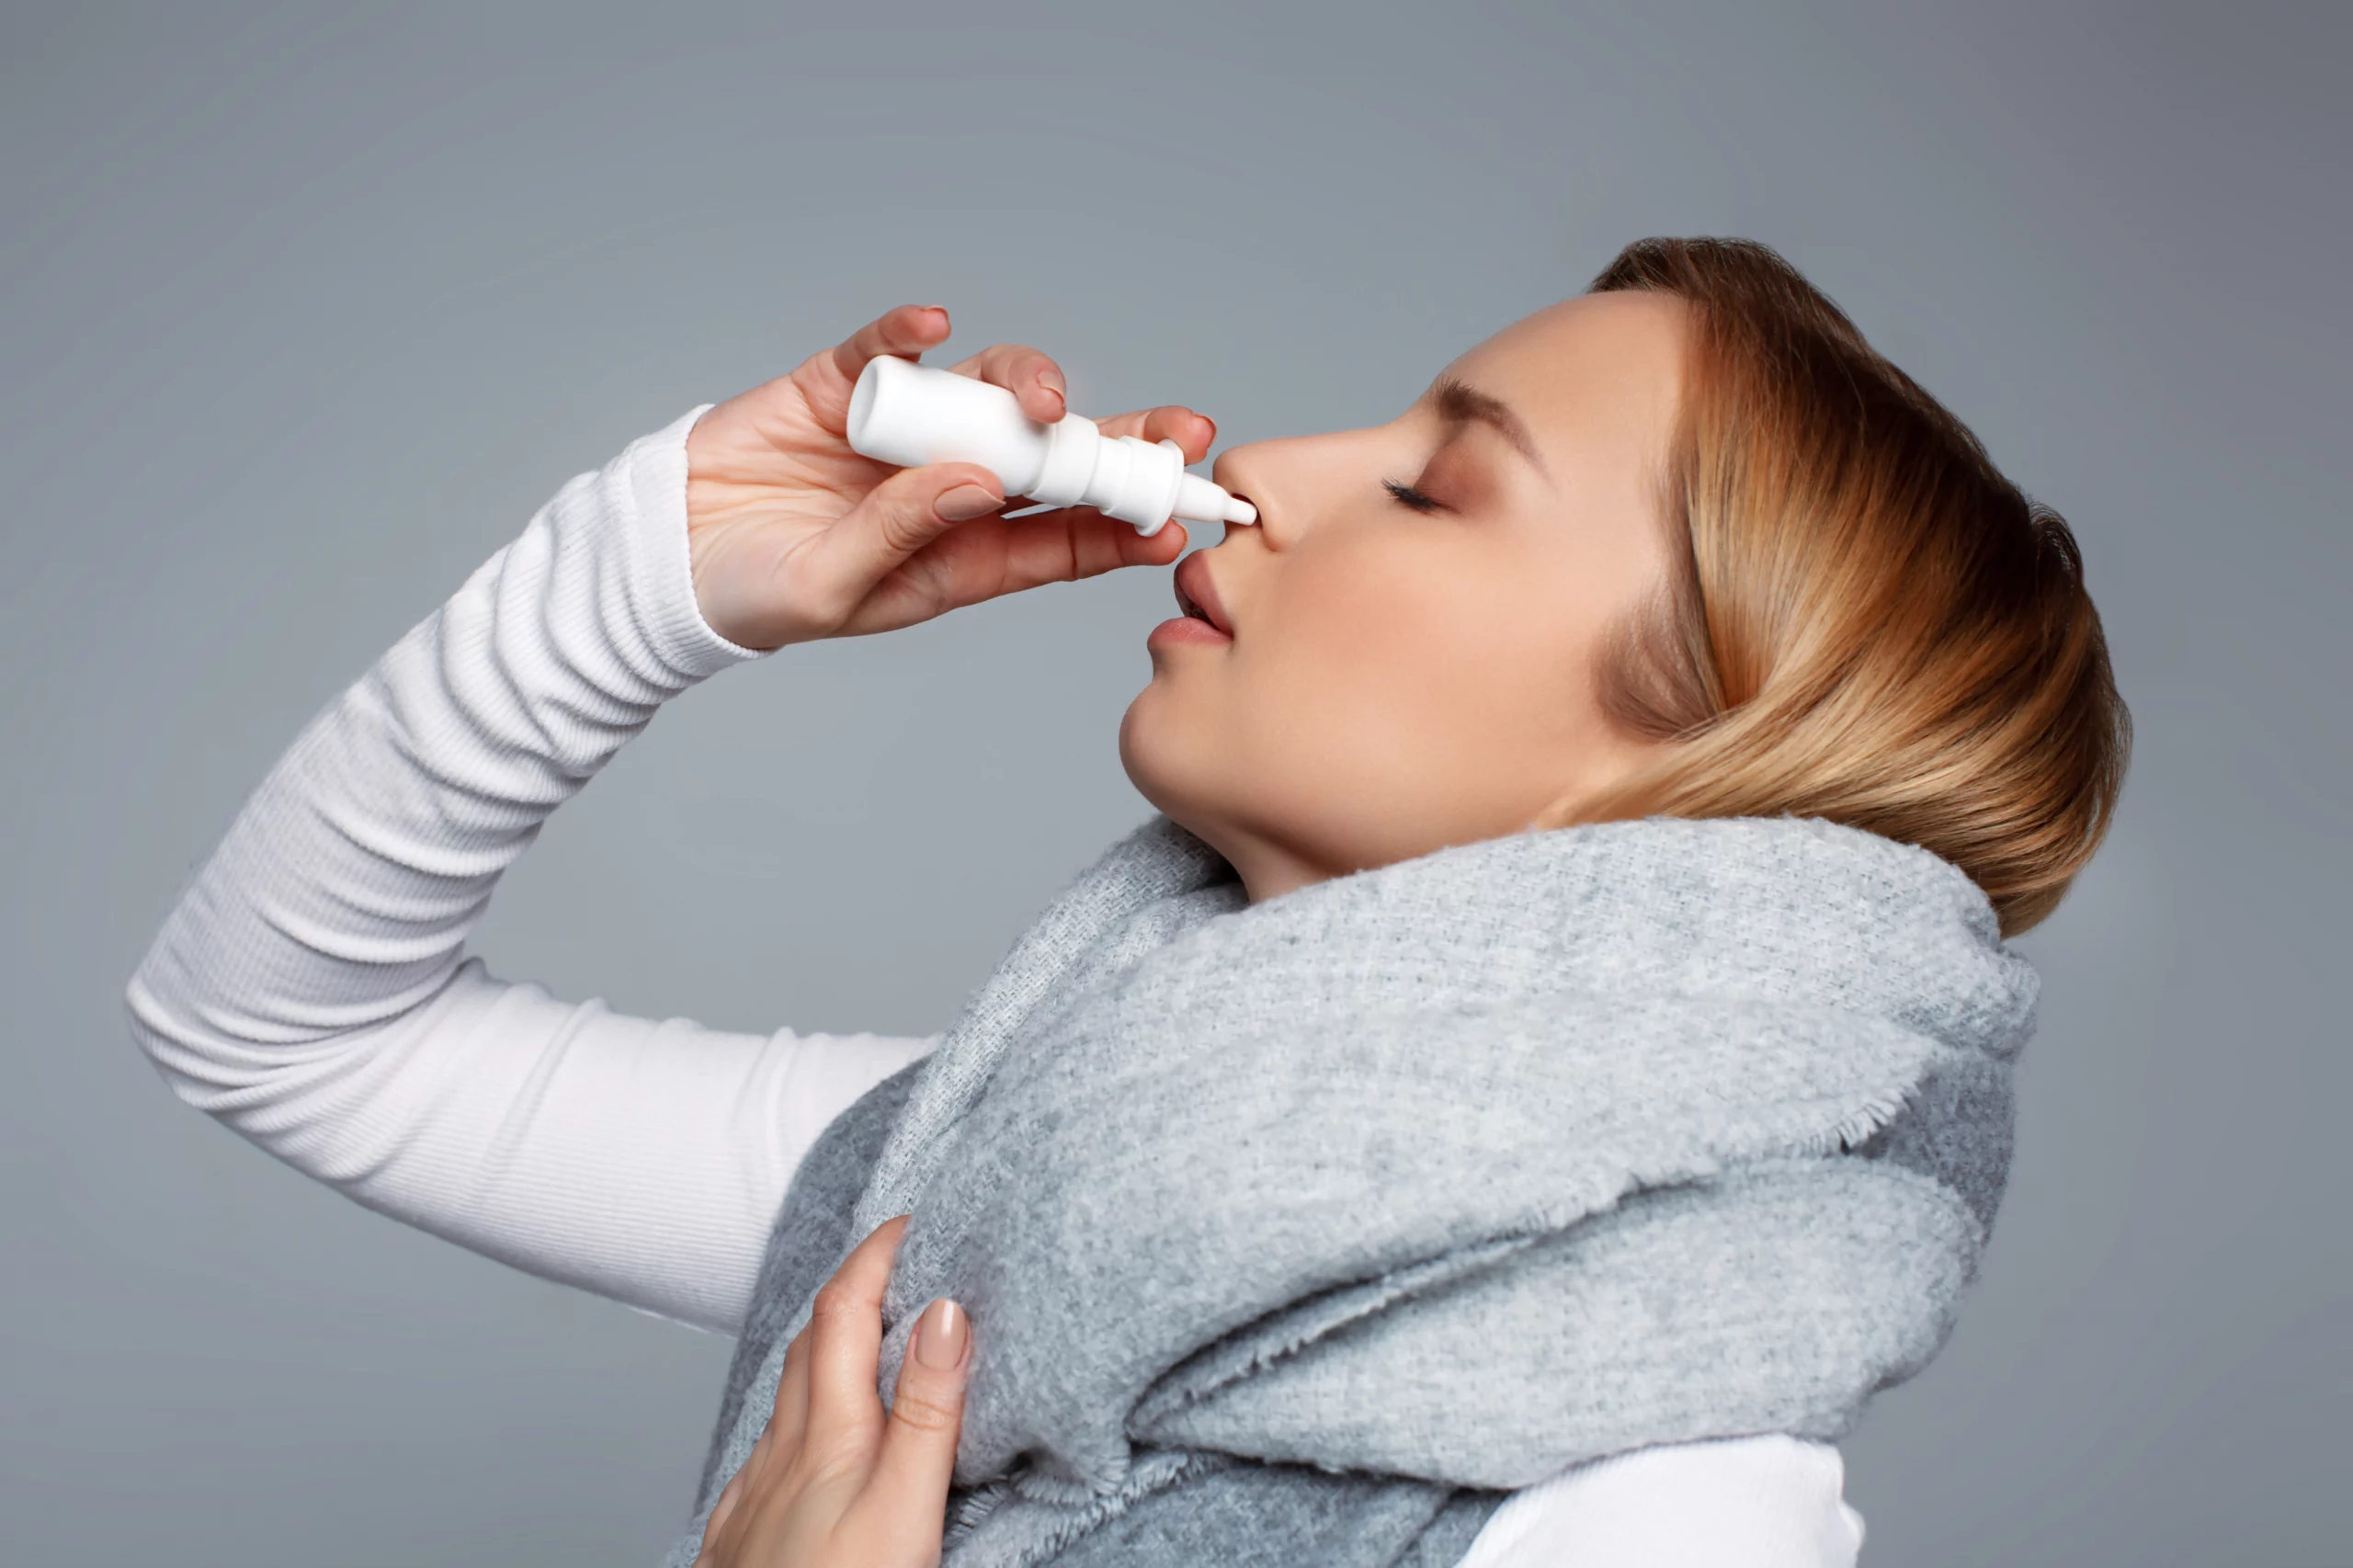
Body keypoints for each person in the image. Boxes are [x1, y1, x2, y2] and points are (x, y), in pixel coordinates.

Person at [127, 238, 2127, 1568]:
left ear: (1682, 772)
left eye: (1438, 486)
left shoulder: (1659, 1511)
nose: (1265, 467)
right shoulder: (991, 1173)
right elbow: (286, 1030)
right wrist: (650, 570)